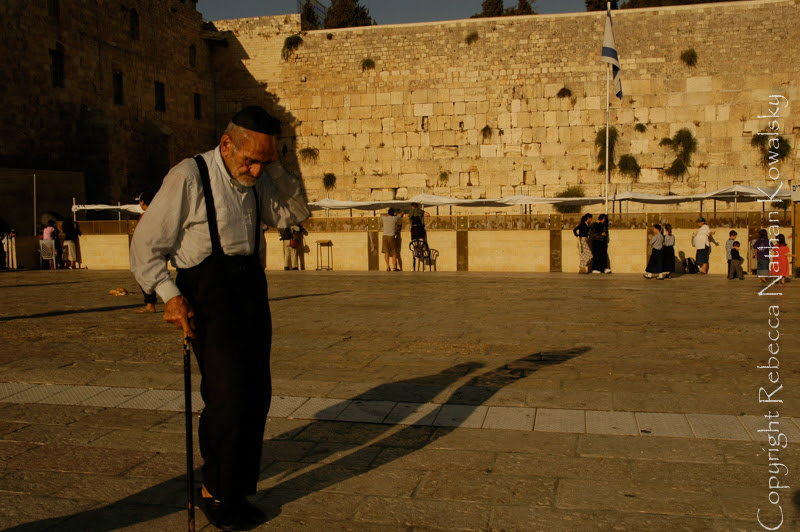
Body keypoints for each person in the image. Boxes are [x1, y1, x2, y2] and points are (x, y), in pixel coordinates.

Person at [130, 105, 309, 530]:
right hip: (207, 294)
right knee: (227, 395)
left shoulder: (258, 179)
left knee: (256, 395)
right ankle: (214, 488)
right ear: (226, 144)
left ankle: (237, 488)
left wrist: (276, 167)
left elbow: (296, 213)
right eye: (250, 158)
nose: (254, 168)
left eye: (263, 160)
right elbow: (146, 245)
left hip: (249, 291)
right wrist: (170, 297)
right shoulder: (188, 176)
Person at [134, 191, 158, 312]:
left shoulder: (146, 216)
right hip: (158, 249)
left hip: (148, 251)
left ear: (143, 202)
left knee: (144, 276)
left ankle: (150, 303)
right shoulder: (159, 214)